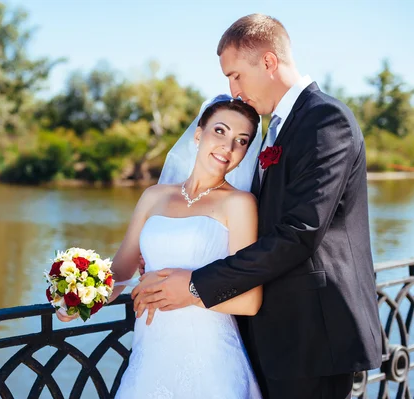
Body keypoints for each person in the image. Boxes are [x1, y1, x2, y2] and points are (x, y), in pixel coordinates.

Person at [133, 14, 382, 399]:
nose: (233, 89)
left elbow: (300, 232)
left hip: (312, 334)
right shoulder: (275, 128)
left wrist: (197, 285)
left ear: (268, 62)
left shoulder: (324, 119)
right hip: (269, 333)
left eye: (235, 75)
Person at [57, 95, 264, 398]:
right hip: (151, 353)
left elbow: (249, 301)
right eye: (220, 131)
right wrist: (79, 299)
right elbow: (121, 272)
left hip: (210, 360)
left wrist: (185, 291)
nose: (228, 147)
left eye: (241, 140)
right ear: (198, 134)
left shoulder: (240, 204)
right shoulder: (154, 196)